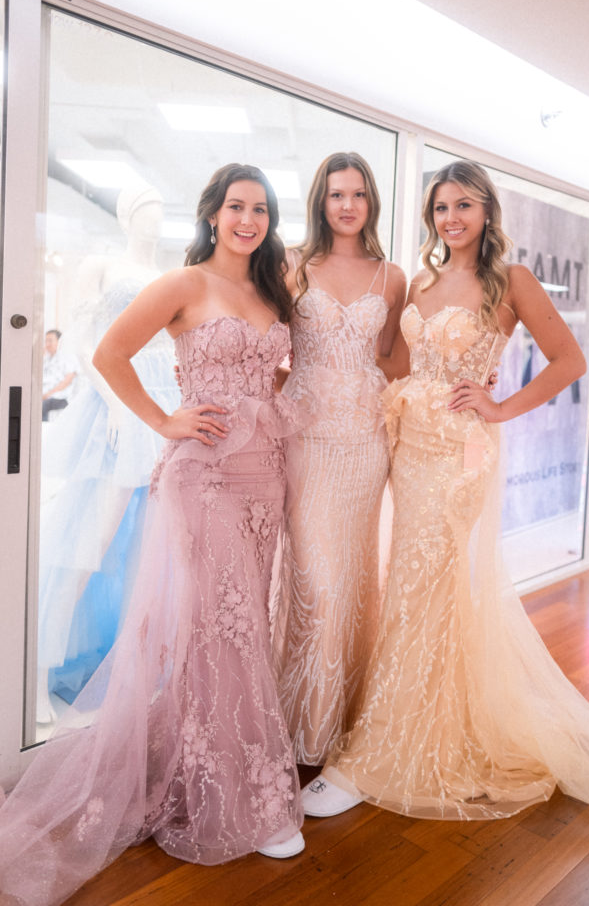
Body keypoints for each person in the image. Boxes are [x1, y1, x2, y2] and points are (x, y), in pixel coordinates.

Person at [302, 160, 589, 848]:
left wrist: (500, 405)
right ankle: (420, 716)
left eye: (464, 206)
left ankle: (379, 756)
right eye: (441, 207)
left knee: (420, 587)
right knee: (416, 592)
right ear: (430, 217)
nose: (452, 218)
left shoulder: (509, 282)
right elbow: (393, 362)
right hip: (404, 444)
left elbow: (569, 360)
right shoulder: (416, 281)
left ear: (486, 213)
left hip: (455, 458)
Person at [0, 164, 305, 906]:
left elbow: (274, 378)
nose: (248, 219)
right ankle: (233, 793)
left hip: (267, 478)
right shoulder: (183, 284)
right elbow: (108, 354)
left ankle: (209, 755)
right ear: (211, 214)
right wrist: (166, 419)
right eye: (236, 206)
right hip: (203, 479)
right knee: (221, 629)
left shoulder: (271, 292)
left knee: (240, 629)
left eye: (259, 209)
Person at [271, 152, 406, 765]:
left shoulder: (392, 277)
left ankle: (341, 721)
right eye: (335, 194)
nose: (347, 205)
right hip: (305, 440)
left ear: (370, 202)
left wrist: (457, 376)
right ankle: (297, 721)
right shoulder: (292, 265)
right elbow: (265, 344)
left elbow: (392, 358)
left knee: (353, 582)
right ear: (319, 202)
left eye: (357, 194)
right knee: (313, 583)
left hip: (365, 443)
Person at [36, 184, 180, 723]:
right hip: (120, 403)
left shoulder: (169, 276)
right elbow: (82, 341)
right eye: (146, 208)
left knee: (153, 541)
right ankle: (40, 666)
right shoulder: (103, 264)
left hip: (166, 400)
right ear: (125, 216)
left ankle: (135, 669)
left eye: (160, 209)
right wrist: (117, 402)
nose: (155, 218)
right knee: (92, 540)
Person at [41, 329, 78, 420]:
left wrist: (48, 394)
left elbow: (67, 381)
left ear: (59, 341)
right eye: (46, 341)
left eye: (50, 340)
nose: (47, 344)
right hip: (45, 396)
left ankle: (40, 432)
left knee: (40, 406)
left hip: (60, 397)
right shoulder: (47, 358)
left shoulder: (67, 357)